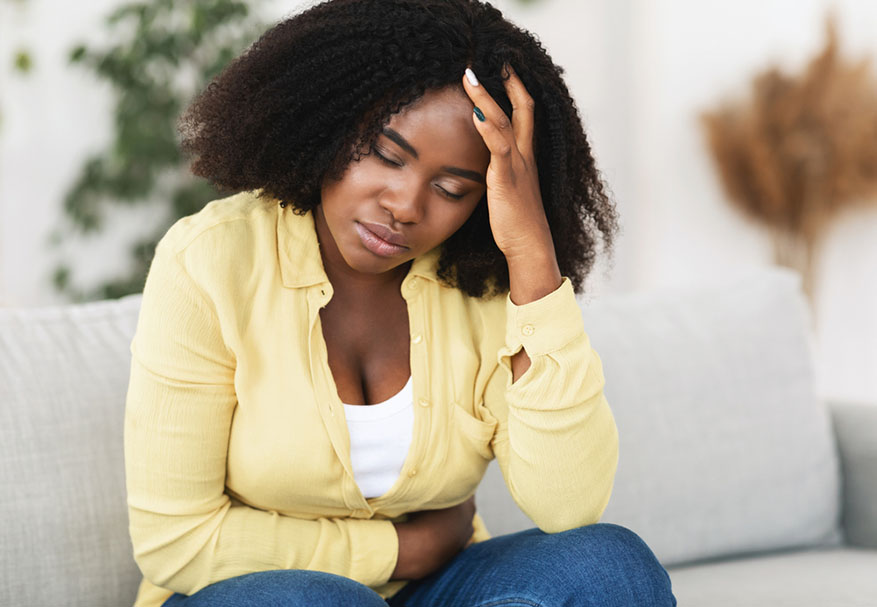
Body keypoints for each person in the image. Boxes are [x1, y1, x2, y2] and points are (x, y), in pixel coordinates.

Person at [123, 0, 677, 605]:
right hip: (252, 594)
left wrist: (533, 263)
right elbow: (175, 540)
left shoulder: (487, 286)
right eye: (387, 156)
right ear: (331, 123)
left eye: (451, 189)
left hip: (436, 589)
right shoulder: (210, 262)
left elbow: (569, 505)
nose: (407, 206)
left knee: (608, 566)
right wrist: (403, 551)